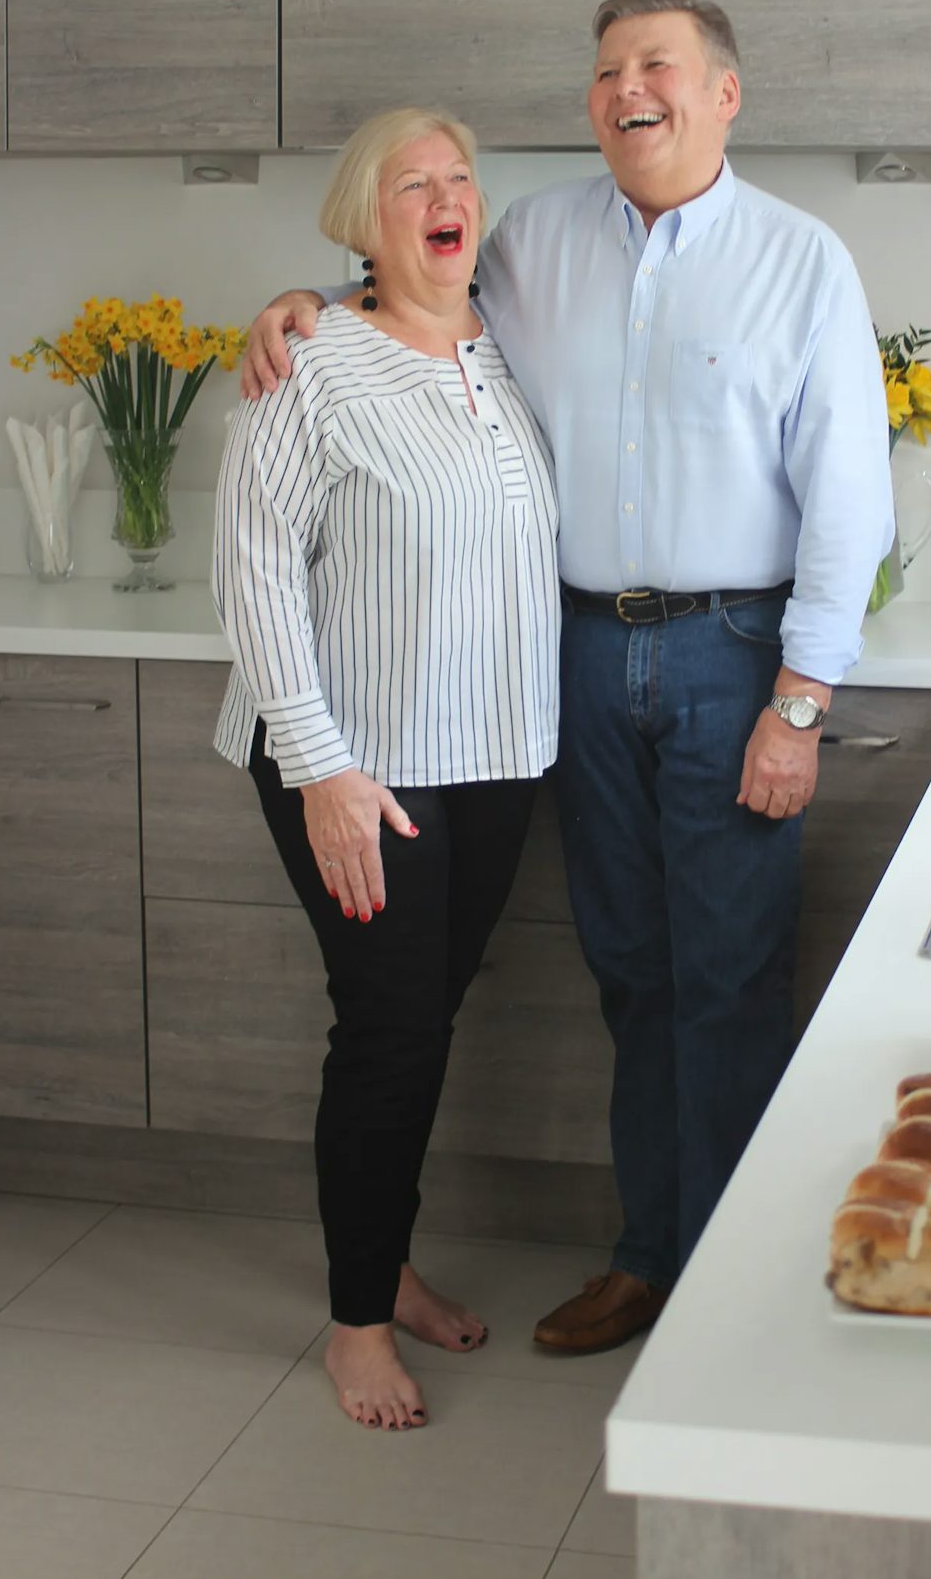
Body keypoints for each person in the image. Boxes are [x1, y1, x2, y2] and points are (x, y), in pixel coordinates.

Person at [240, 0, 893, 1355]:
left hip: (731, 655)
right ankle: (647, 1258)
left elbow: (850, 494)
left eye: (656, 64)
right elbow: (395, 307)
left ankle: (728, 1294)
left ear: (724, 93)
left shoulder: (800, 258)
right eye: (604, 70)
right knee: (631, 976)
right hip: (577, 660)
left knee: (726, 978)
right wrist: (297, 303)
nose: (626, 88)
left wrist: (802, 699)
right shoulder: (530, 243)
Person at [213, 107, 559, 1427]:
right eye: (412, 183)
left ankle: (389, 1260)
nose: (444, 195)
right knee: (390, 1034)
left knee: (423, 1022)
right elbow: (253, 579)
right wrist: (322, 770)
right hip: (360, 762)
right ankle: (359, 1320)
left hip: (497, 751)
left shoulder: (509, 343)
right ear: (364, 224)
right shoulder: (309, 366)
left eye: (459, 176)